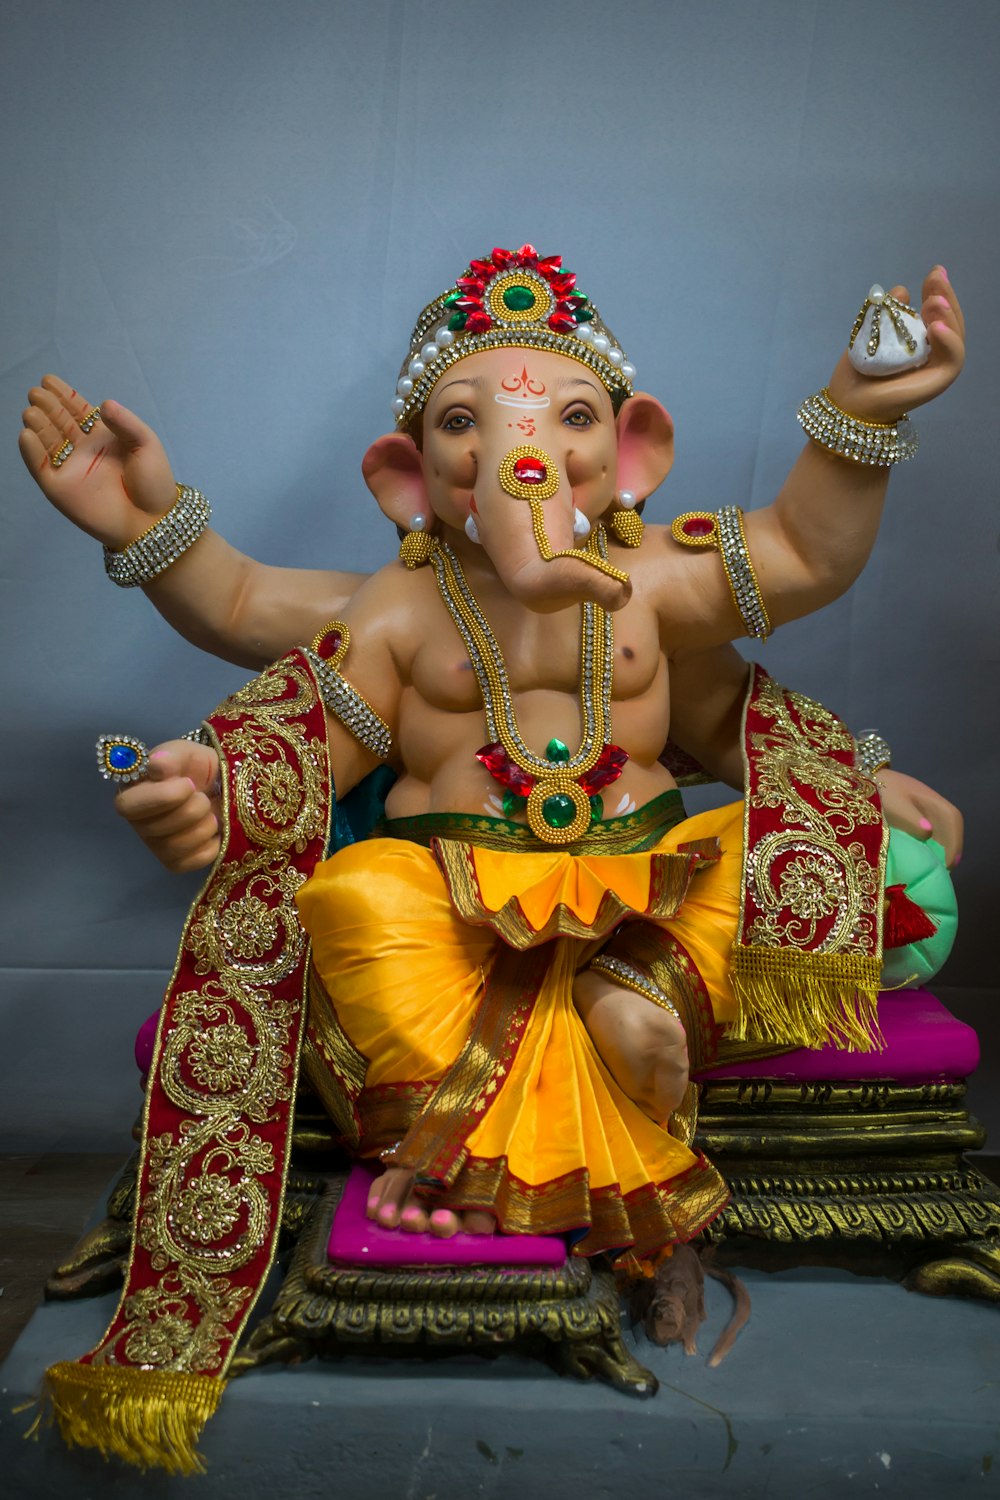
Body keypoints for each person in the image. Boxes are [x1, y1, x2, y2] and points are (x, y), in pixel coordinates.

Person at [20, 244, 965, 1258]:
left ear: (634, 451)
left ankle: (637, 995)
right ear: (405, 476)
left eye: (572, 417)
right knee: (355, 895)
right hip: (457, 915)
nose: (526, 453)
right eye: (463, 420)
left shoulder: (656, 578)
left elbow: (802, 559)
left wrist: (861, 416)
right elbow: (295, 707)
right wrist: (220, 783)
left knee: (839, 852)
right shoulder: (398, 607)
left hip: (646, 890)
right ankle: (482, 1124)